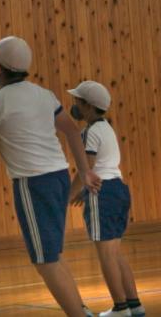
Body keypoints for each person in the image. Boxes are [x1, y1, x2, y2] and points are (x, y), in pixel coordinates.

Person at [0, 36, 102, 317]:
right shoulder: (44, 94)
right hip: (59, 177)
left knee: (44, 260)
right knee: (52, 255)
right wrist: (85, 171)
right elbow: (73, 131)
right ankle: (82, 311)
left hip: (33, 184)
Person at [68, 81, 144, 317]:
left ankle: (120, 308)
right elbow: (102, 167)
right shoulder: (107, 129)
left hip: (103, 194)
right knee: (116, 253)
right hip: (118, 190)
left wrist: (67, 197)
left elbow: (87, 170)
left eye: (78, 101)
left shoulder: (90, 132)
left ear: (89, 106)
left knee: (106, 255)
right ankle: (134, 305)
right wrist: (83, 192)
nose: (74, 105)